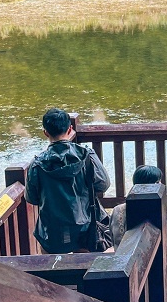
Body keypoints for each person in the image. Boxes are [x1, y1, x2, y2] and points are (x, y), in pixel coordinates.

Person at [25, 108, 111, 253]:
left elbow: (31, 198)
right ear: (70, 129)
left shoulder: (37, 164)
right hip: (85, 224)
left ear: (45, 132)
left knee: (51, 268)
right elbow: (104, 184)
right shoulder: (86, 155)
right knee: (84, 266)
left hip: (52, 230)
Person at [111, 165, 167, 247]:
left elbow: (115, 239)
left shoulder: (117, 210)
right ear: (156, 185)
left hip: (123, 256)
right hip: (160, 257)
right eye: (159, 182)